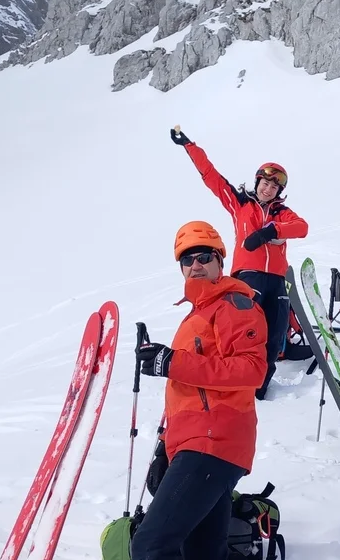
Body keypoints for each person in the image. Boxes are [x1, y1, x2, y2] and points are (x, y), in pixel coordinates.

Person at [130, 220, 268, 560]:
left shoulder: (234, 305)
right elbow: (188, 394)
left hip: (214, 441)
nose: (195, 265)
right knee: (201, 551)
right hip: (198, 443)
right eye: (187, 260)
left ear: (220, 262)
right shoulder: (195, 316)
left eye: (204, 256)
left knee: (150, 546)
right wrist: (166, 446)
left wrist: (173, 362)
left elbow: (253, 370)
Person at [171, 127, 309, 400]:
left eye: (274, 186)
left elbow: (301, 227)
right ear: (257, 182)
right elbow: (211, 177)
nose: (268, 189)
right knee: (245, 332)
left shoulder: (282, 214)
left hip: (278, 280)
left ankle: (260, 389)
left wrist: (269, 232)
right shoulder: (240, 204)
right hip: (248, 278)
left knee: (274, 336)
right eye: (264, 183)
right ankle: (233, 382)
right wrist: (189, 146)